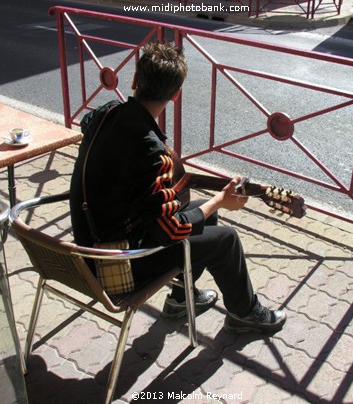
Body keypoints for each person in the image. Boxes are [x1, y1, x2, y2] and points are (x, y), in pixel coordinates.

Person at [70, 41, 286, 334]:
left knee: (201, 212)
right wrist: (220, 201)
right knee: (226, 239)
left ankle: (181, 298)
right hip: (117, 263)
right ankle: (245, 313)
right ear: (175, 95)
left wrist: (210, 206)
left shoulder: (106, 112)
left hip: (89, 240)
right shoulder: (150, 150)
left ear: (134, 80)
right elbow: (169, 230)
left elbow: (86, 123)